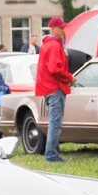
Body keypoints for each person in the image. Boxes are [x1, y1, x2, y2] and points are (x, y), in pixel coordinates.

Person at [35, 16, 76, 163]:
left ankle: (53, 154)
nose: (63, 31)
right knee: (55, 123)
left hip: (49, 88)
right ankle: (51, 155)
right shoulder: (54, 45)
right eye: (61, 28)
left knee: (54, 122)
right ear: (52, 28)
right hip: (55, 88)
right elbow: (55, 69)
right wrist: (69, 77)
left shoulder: (48, 44)